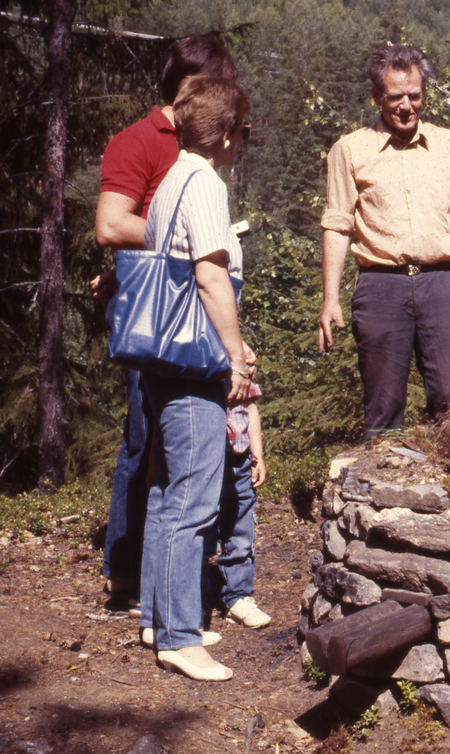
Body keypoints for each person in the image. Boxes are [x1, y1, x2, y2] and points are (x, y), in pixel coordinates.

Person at [93, 35, 238, 607]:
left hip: (188, 310)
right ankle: (127, 568)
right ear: (190, 86)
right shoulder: (139, 140)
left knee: (173, 450)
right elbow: (110, 225)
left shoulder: (191, 146)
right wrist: (182, 238)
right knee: (144, 441)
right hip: (160, 315)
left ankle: (162, 579)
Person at [317, 45, 450, 440]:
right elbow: (337, 226)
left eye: (415, 95)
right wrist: (330, 298)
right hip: (380, 287)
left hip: (441, 285)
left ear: (424, 93)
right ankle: (378, 497)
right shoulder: (349, 150)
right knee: (384, 407)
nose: (406, 106)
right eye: (395, 97)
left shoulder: (449, 145)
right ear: (377, 97)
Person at [138, 75, 253, 681]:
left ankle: (160, 617)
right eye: (244, 131)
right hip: (194, 361)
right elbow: (209, 277)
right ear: (227, 132)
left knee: (166, 493)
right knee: (194, 498)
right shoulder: (205, 184)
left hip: (162, 357)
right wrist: (235, 354)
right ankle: (180, 637)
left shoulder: (170, 181)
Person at [216, 376, 272, 629]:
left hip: (239, 462)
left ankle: (237, 597)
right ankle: (192, 599)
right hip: (205, 461)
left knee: (241, 532)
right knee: (199, 534)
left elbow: (250, 408)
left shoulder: (240, 360)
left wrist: (257, 456)